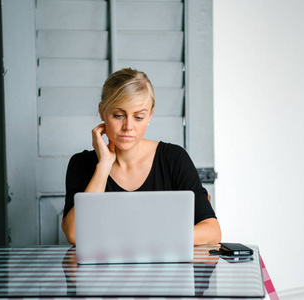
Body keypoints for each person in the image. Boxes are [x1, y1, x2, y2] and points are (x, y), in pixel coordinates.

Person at [61, 68, 221, 246]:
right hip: (103, 273)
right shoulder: (82, 164)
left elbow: (212, 231)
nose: (128, 126)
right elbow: (74, 234)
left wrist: (144, 238)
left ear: (150, 115)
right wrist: (104, 166)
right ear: (102, 111)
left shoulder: (173, 158)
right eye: (119, 115)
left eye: (138, 117)